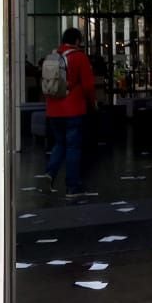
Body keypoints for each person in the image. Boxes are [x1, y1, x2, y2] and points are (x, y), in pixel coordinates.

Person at [44, 27, 96, 200]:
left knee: (60, 143)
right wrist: (92, 102)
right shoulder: (79, 57)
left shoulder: (53, 56)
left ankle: (50, 173)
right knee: (73, 147)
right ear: (77, 41)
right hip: (73, 109)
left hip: (53, 110)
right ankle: (72, 187)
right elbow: (88, 85)